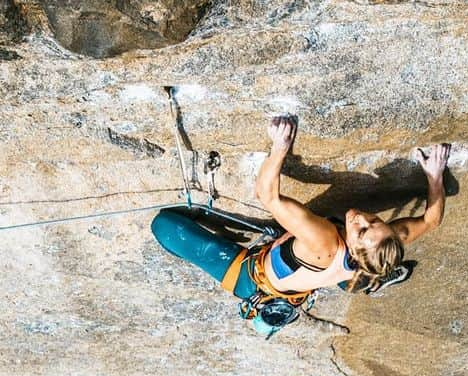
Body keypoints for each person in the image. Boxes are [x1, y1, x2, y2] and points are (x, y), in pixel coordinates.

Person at [150, 115, 450, 329]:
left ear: (356, 248)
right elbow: (431, 220)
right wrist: (434, 177)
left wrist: (278, 149)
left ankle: (374, 281)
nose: (360, 218)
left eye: (360, 230)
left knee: (163, 226)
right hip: (345, 271)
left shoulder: (323, 240)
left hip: (253, 279)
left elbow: (267, 195)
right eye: (373, 220)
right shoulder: (384, 242)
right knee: (353, 280)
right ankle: (377, 279)